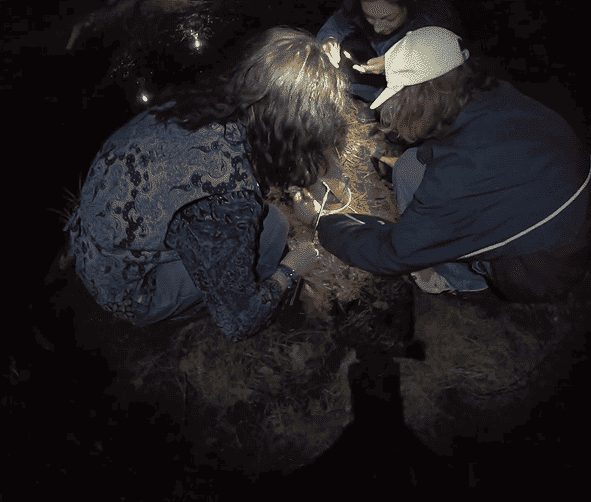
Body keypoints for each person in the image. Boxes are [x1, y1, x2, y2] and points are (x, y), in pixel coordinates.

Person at [62, 26, 350, 341]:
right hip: (127, 286)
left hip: (99, 238)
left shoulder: (199, 102)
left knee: (259, 224)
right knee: (273, 230)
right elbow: (237, 323)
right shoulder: (230, 199)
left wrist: (300, 175)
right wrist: (292, 268)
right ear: (289, 134)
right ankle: (195, 308)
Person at [315, 26, 590, 313]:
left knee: (422, 226)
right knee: (411, 165)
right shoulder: (497, 96)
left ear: (418, 97)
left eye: (398, 97)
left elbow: (393, 254)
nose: (394, 110)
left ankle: (460, 281)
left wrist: (324, 224)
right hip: (569, 219)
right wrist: (403, 64)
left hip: (540, 270)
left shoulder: (458, 174)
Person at [318, 0, 462, 107]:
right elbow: (337, 23)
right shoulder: (354, 8)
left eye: (388, 19)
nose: (377, 29)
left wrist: (395, 63)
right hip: (374, 62)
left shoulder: (436, 24)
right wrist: (328, 38)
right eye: (369, 17)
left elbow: (446, 68)